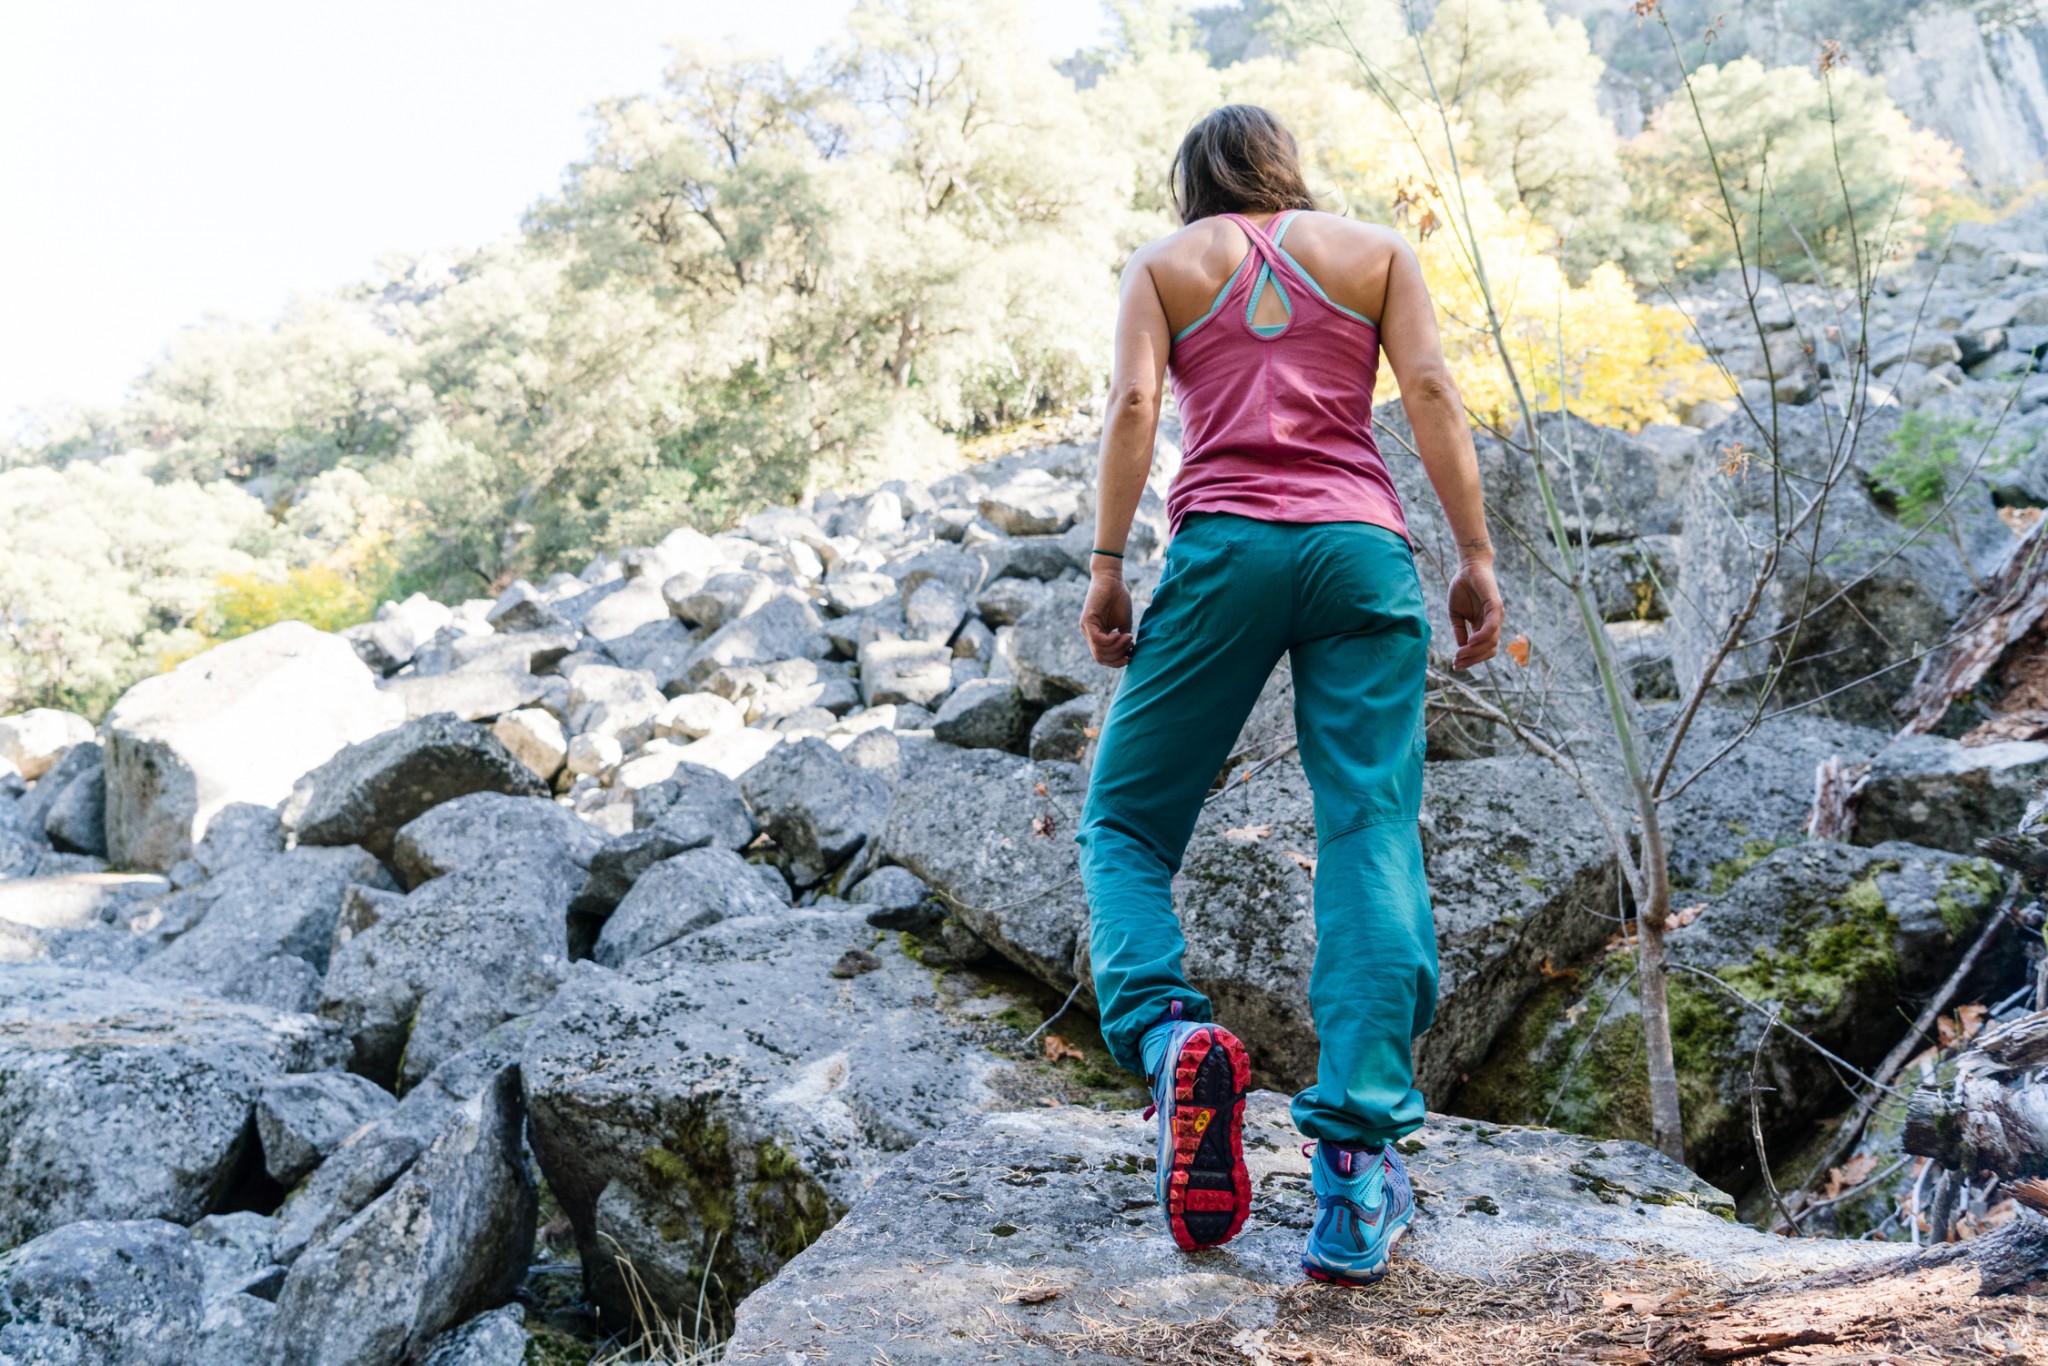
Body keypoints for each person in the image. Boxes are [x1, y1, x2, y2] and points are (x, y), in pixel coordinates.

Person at [1075, 104, 1504, 1286]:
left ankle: (1167, 1034)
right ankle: (1354, 1174)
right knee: (1368, 826)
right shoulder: (1375, 252)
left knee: (1123, 823)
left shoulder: (1163, 266)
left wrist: (1107, 566)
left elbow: (1131, 410)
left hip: (1221, 549)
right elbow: (1429, 387)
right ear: (1285, 171)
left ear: (1191, 184)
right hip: (1360, 550)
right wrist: (1473, 553)